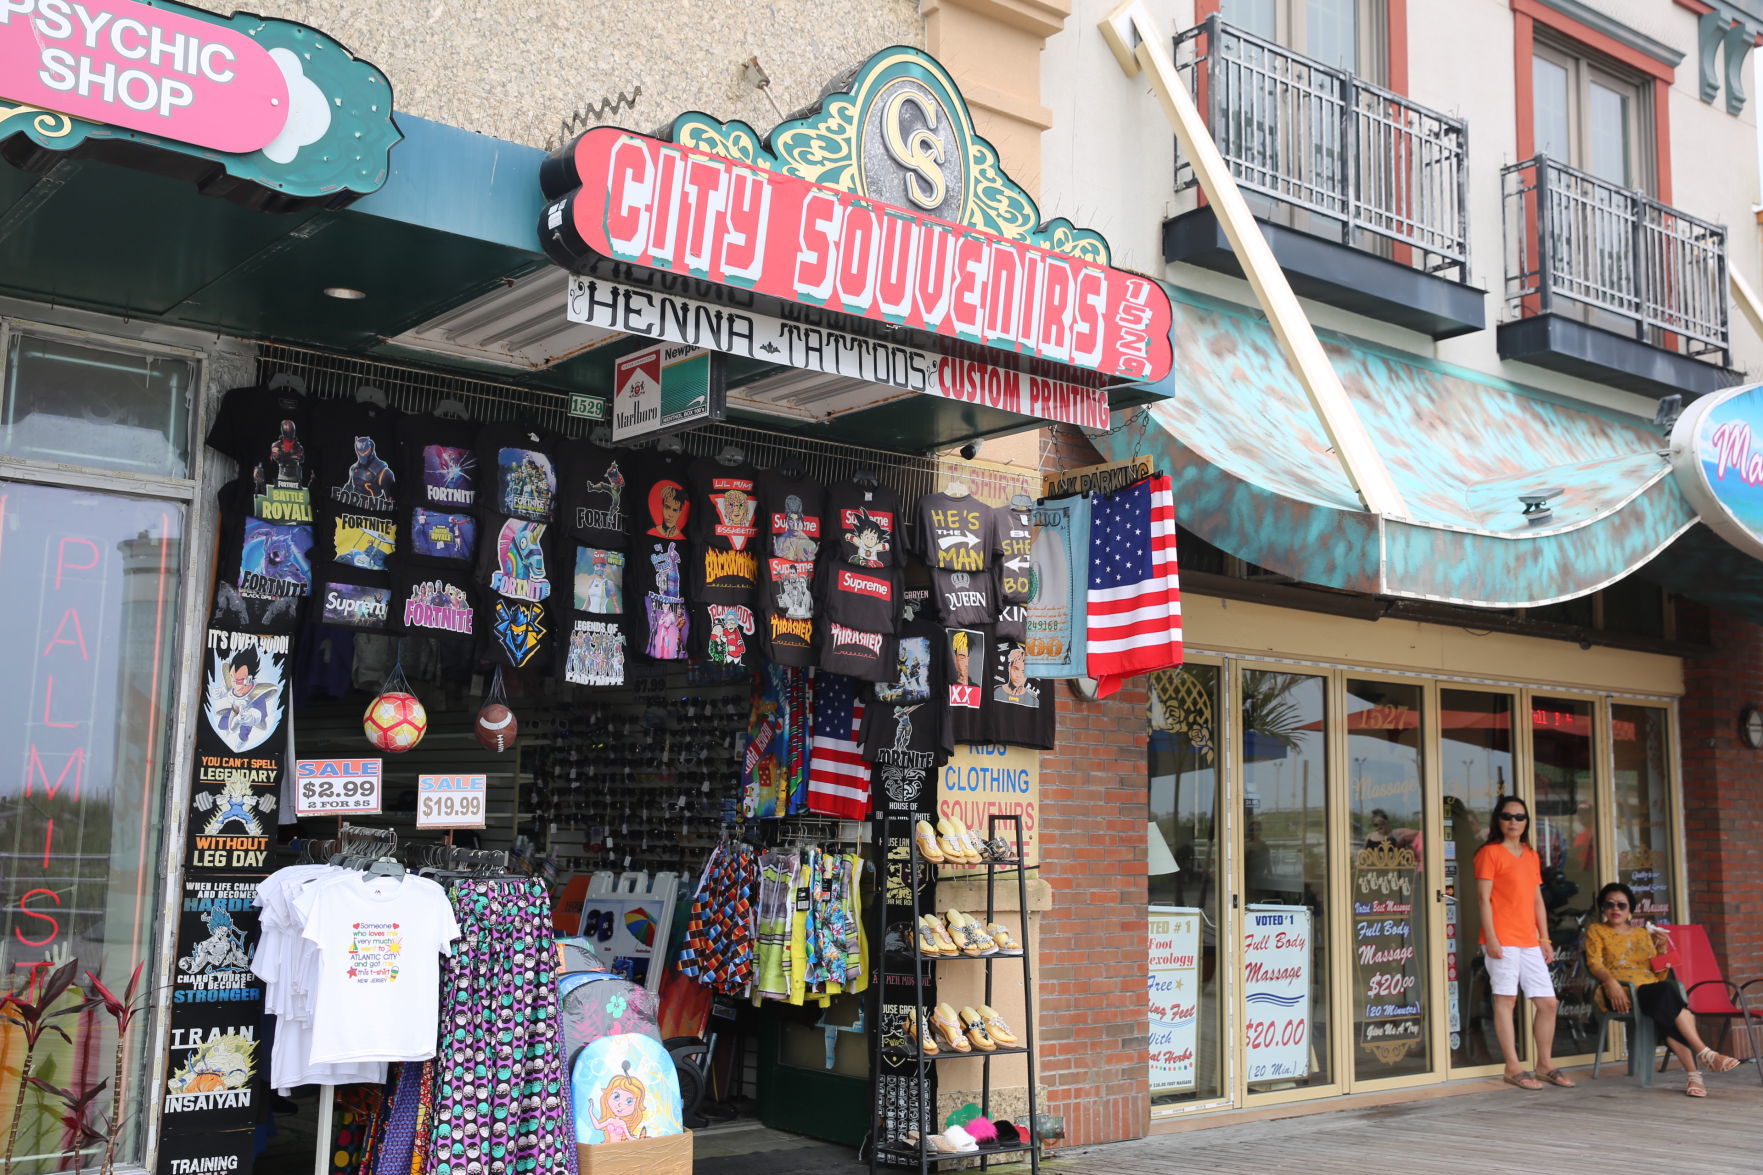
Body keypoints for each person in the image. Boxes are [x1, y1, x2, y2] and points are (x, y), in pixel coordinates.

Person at [1583, 882, 1740, 1097]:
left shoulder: (1641, 934)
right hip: (1621, 992)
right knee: (1671, 1003)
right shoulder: (1596, 930)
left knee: (1666, 1003)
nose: (1615, 909)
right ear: (1603, 908)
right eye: (1609, 904)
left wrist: (1661, 949)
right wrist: (1610, 983)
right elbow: (1595, 963)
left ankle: (1698, 1071)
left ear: (1631, 909)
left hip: (1650, 991)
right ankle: (1704, 1057)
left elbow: (1659, 974)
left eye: (1621, 905)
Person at [1475, 795, 1574, 1090]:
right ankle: (1513, 1066)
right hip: (1502, 938)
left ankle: (1544, 1063)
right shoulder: (1489, 853)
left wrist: (1544, 938)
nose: (1514, 822)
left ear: (1527, 821)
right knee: (1506, 1000)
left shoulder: (1531, 854)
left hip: (1529, 939)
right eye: (1508, 816)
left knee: (1548, 1002)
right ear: (1498, 820)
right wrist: (1491, 938)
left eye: (1520, 817)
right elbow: (1483, 899)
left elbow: (1536, 900)